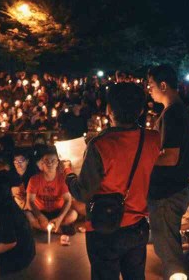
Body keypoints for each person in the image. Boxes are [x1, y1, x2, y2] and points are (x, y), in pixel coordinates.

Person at [63, 82, 162, 280]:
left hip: (104, 228)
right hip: (138, 227)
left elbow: (83, 192)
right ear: (141, 110)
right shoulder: (153, 139)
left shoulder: (100, 145)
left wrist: (68, 172)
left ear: (109, 110)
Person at [147, 64, 189, 279]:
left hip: (168, 191)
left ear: (163, 85)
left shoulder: (173, 114)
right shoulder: (175, 111)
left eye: (151, 85)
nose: (149, 89)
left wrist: (142, 160)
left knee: (168, 248)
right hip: (174, 187)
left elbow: (171, 156)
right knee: (166, 243)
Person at [25, 147, 78, 236]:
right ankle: (57, 229)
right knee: (27, 215)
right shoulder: (34, 179)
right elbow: (30, 201)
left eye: (53, 161)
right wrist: (40, 216)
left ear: (57, 163)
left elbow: (68, 200)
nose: (50, 163)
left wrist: (60, 218)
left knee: (73, 214)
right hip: (40, 211)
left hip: (57, 211)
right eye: (46, 161)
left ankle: (45, 228)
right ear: (42, 163)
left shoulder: (62, 178)